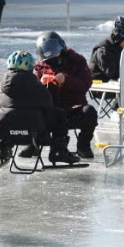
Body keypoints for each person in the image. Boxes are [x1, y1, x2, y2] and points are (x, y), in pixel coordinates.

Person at [0, 51, 80, 167]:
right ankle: (59, 151)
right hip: (34, 133)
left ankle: (3, 148)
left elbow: (0, 106)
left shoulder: (1, 88)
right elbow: (48, 108)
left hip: (7, 133)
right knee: (60, 116)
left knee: (2, 116)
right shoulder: (38, 87)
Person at [32, 31, 97, 159]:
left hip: (73, 109)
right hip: (51, 111)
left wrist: (66, 80)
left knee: (90, 112)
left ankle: (83, 146)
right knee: (33, 113)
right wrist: (39, 84)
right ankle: (33, 145)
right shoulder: (40, 65)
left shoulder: (78, 60)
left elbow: (86, 84)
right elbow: (31, 89)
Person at [89, 16, 124, 83]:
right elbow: (112, 73)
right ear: (119, 36)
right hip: (101, 87)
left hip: (118, 84)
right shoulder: (103, 50)